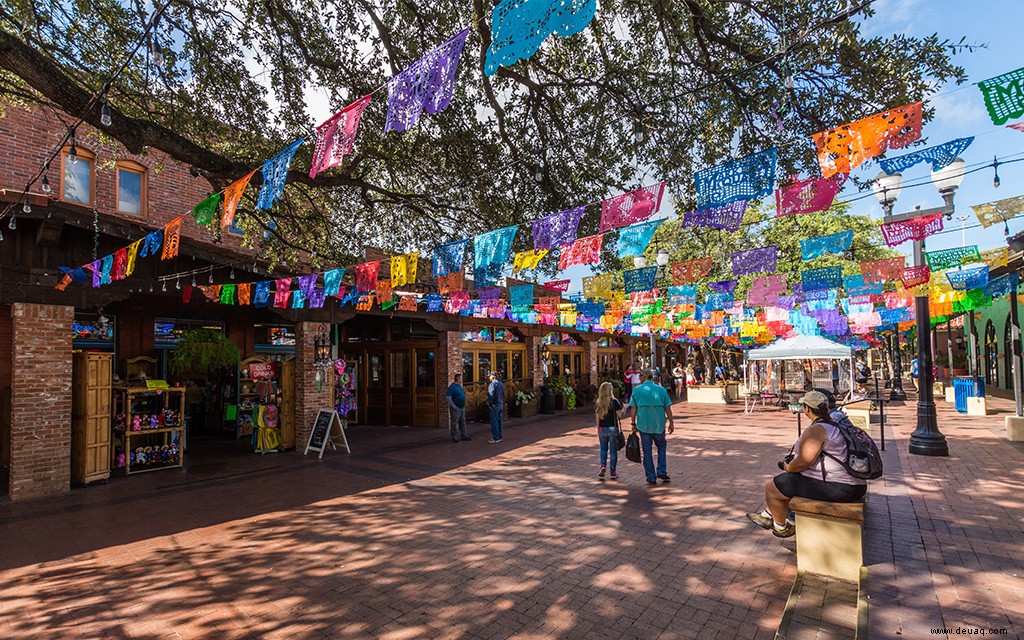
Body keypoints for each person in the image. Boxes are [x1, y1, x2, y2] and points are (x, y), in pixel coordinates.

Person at [746, 390, 867, 538]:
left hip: (841, 487)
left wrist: (787, 466)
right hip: (853, 484)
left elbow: (803, 462)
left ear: (807, 408)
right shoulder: (834, 423)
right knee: (789, 482)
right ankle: (767, 515)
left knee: (772, 487)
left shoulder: (817, 429)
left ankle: (781, 527)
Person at [624, 369, 675, 485]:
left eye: (640, 376)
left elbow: (633, 409)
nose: (639, 378)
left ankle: (651, 476)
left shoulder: (637, 390)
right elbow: (668, 408)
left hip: (644, 425)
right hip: (658, 425)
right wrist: (671, 422)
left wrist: (633, 423)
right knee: (661, 447)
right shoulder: (661, 390)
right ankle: (661, 470)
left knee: (647, 451)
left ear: (643, 377)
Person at [595, 382, 626, 480]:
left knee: (603, 449)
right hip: (612, 428)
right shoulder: (614, 401)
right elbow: (620, 415)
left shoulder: (599, 402)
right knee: (613, 451)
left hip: (602, 428)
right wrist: (625, 408)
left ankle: (603, 466)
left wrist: (598, 428)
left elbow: (597, 417)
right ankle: (613, 472)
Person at [446, 373, 470, 442]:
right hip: (456, 408)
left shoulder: (459, 386)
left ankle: (464, 435)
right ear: (457, 379)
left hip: (462, 407)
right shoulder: (452, 387)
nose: (461, 380)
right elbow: (448, 397)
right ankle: (454, 437)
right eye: (460, 378)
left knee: (462, 422)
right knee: (454, 423)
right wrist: (453, 406)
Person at [487, 371, 506, 443]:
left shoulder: (493, 384)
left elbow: (491, 395)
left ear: (493, 377)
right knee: (499, 421)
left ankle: (496, 438)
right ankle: (500, 436)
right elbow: (504, 394)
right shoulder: (501, 384)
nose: (489, 378)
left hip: (495, 405)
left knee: (494, 421)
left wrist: (490, 403)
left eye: (490, 376)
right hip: (500, 404)